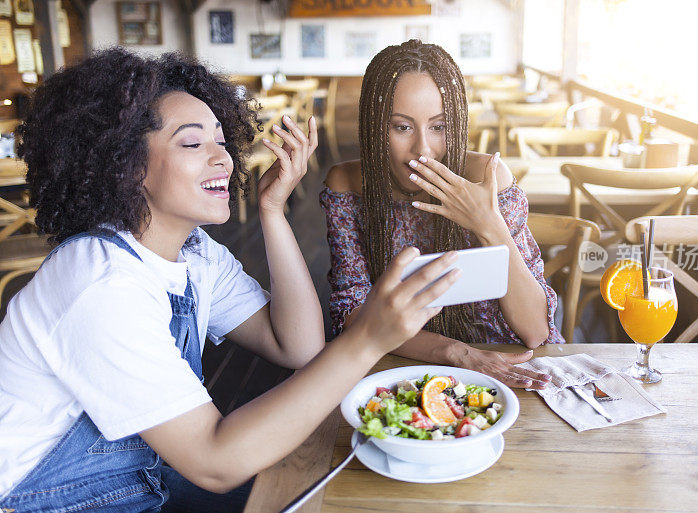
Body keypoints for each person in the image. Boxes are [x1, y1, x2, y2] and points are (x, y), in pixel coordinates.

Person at [0, 48, 459, 512]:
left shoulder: (195, 253)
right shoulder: (101, 285)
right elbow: (214, 463)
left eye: (221, 140)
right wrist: (367, 339)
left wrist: (272, 210)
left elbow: (297, 346)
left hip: (144, 479)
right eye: (192, 143)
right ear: (127, 165)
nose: (223, 158)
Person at [321, 40, 564, 390]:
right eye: (402, 127)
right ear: (374, 127)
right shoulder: (347, 185)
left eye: (439, 126)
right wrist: (456, 353)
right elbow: (353, 313)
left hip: (509, 365)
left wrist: (489, 225)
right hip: (402, 366)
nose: (423, 148)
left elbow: (535, 331)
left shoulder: (487, 178)